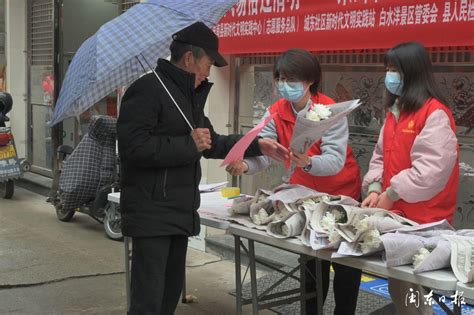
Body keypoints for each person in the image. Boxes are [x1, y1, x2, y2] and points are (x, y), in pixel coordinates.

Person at [117, 22, 288, 315]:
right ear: (189, 58)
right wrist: (188, 145)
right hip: (151, 212)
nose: (209, 72)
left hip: (180, 211)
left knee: (169, 296)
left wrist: (259, 144)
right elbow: (132, 149)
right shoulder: (145, 91)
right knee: (148, 301)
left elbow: (214, 143)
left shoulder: (187, 97)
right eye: (208, 64)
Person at [226, 49, 362, 314]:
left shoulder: (330, 110)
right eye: (280, 78)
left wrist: (308, 162)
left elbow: (334, 160)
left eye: (291, 79)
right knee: (312, 262)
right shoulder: (275, 111)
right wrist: (245, 164)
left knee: (346, 265)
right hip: (306, 197)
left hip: (341, 196)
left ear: (309, 81)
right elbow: (264, 153)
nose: (283, 85)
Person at [361, 41, 459, 315]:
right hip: (398, 215)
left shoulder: (434, 113)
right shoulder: (396, 111)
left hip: (424, 220)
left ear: (414, 73)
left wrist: (390, 195)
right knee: (401, 288)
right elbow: (381, 155)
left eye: (396, 69)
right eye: (388, 69)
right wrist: (375, 187)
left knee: (411, 291)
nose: (389, 76)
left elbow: (430, 172)